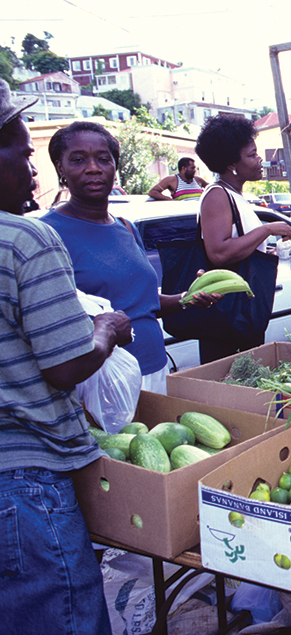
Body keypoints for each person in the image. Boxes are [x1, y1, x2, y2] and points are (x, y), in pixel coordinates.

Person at [0, 79, 133, 635]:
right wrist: (102, 330)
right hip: (27, 477)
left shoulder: (120, 226)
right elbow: (64, 367)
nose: (29, 168)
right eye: (25, 152)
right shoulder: (28, 239)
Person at [42, 121, 218, 394]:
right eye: (78, 159)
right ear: (60, 169)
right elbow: (48, 324)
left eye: (103, 159)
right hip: (99, 381)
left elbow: (144, 303)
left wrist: (187, 299)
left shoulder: (125, 227)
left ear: (115, 167)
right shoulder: (48, 234)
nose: (93, 168)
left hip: (154, 368)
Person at [195, 114, 291, 363]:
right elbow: (218, 253)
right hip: (227, 317)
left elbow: (240, 247)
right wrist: (267, 230)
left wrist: (264, 252)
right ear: (231, 164)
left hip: (241, 314)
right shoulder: (217, 195)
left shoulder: (235, 196)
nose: (260, 159)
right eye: (252, 155)